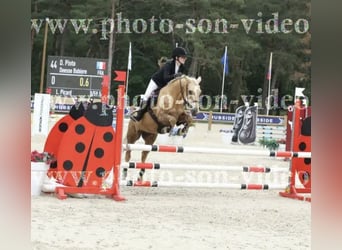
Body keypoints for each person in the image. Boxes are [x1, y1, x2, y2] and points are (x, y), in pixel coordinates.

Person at [131, 47, 188, 122]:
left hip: (167, 85)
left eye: (185, 57)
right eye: (183, 57)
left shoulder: (182, 67)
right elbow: (166, 78)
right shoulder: (169, 65)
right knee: (147, 96)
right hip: (157, 82)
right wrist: (175, 75)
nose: (184, 59)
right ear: (176, 57)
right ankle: (139, 114)